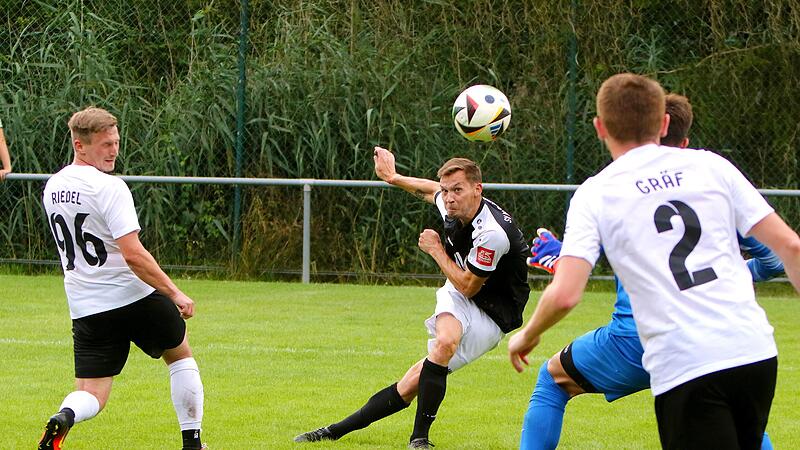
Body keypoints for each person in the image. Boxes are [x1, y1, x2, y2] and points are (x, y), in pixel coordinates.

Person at [508, 73, 800, 449]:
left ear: (599, 128)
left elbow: (566, 294)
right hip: (753, 349)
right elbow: (790, 248)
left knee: (552, 380)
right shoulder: (712, 167)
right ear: (662, 123)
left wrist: (526, 335)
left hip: (684, 358)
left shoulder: (598, 191)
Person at [294, 146, 531, 449]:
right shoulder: (453, 203)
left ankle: (337, 430)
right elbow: (430, 190)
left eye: (457, 190)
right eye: (447, 190)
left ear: (477, 189)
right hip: (460, 293)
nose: (449, 197)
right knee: (445, 342)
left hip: (493, 314)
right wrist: (392, 177)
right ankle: (417, 440)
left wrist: (435, 250)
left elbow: (469, 286)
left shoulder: (493, 234)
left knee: (411, 384)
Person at [38, 107, 205, 450]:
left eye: (115, 142)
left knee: (92, 393)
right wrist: (175, 293)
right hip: (133, 296)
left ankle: (65, 415)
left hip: (87, 305)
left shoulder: (54, 186)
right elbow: (133, 254)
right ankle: (193, 443)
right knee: (180, 355)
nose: (113, 150)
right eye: (104, 145)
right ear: (79, 145)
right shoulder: (110, 187)